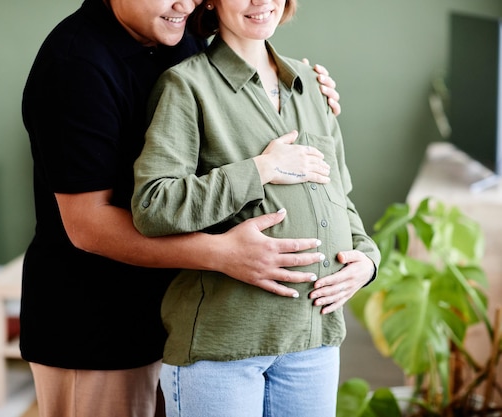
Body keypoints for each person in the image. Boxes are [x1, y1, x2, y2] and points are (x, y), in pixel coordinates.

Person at [20, 0, 343, 416]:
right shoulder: (74, 65)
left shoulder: (178, 33)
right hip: (98, 325)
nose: (185, 2)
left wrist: (304, 90)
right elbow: (87, 226)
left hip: (183, 315)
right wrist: (222, 254)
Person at [130, 0, 380, 416]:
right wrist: (259, 170)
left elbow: (339, 196)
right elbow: (153, 205)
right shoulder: (186, 86)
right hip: (223, 347)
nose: (260, 2)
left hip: (313, 341)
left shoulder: (312, 84)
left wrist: (367, 260)